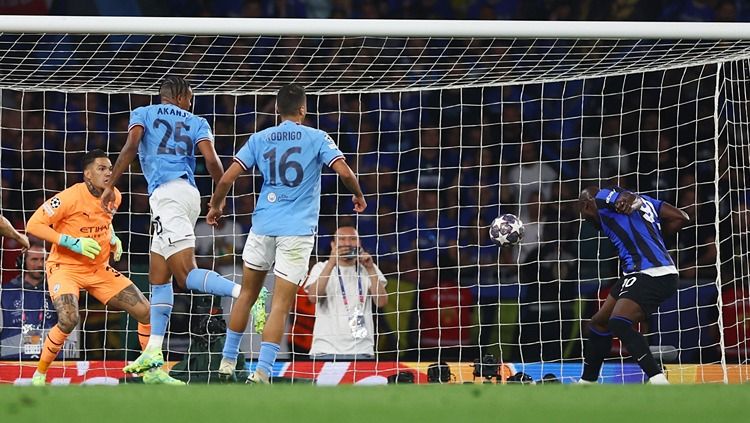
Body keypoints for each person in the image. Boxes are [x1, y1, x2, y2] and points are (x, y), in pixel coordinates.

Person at [207, 83, 366, 383]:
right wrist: (357, 195)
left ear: (278, 109)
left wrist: (216, 205)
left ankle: (227, 362)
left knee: (247, 295)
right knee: (279, 303)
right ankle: (263, 372)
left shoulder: (259, 138)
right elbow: (344, 172)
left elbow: (227, 177)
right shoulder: (318, 137)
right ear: (303, 110)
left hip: (263, 226)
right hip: (296, 232)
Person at [101, 75, 243, 381]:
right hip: (183, 194)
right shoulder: (197, 120)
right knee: (159, 276)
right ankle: (153, 354)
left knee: (185, 274)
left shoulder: (143, 113)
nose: (190, 103)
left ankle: (243, 293)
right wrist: (218, 200)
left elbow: (130, 147)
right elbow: (213, 161)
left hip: (168, 196)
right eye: (189, 97)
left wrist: (110, 185)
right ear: (178, 97)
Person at [25, 149, 159, 385]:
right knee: (68, 319)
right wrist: (71, 242)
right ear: (87, 174)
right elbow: (33, 225)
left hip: (98, 269)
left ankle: (150, 371)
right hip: (65, 267)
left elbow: (104, 221)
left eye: (110, 168)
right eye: (101, 168)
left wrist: (113, 238)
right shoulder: (68, 198)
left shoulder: (115, 195)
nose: (108, 173)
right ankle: (40, 373)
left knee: (145, 311)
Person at [577, 186, 689, 385]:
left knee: (619, 322)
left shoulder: (600, 198)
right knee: (599, 322)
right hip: (645, 272)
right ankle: (587, 383)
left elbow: (625, 197)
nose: (585, 218)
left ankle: (658, 381)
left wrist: (629, 199)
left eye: (583, 212)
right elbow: (682, 217)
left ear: (586, 205)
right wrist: (652, 238)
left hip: (651, 273)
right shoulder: (649, 202)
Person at [304, 226, 387, 360]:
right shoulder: (320, 267)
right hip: (325, 349)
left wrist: (371, 269)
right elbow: (313, 297)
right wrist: (331, 263)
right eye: (342, 239)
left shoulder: (369, 268)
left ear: (359, 243)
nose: (347, 243)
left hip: (362, 349)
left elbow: (381, 302)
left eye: (353, 239)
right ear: (333, 244)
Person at [0, 240, 78, 360]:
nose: (40, 264)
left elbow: (70, 327)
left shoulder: (57, 290)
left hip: (51, 359)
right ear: (23, 262)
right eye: (34, 259)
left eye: (43, 259)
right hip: (12, 360)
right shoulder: (5, 292)